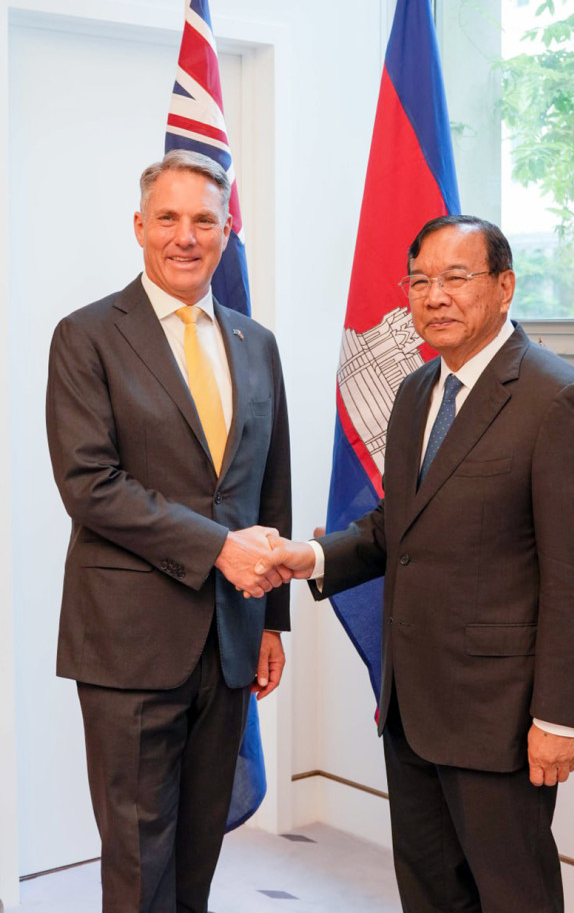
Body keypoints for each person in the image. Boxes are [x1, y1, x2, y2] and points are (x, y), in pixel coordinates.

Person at [256, 216, 574, 913]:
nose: (435, 296)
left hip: (500, 716)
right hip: (412, 706)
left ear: (505, 286)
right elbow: (398, 525)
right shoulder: (417, 389)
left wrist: (560, 718)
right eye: (420, 281)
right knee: (429, 893)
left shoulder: (559, 400)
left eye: (457, 277)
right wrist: (312, 555)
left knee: (513, 896)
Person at [46, 149, 291, 913]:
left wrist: (272, 621)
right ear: (139, 226)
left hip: (231, 637)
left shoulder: (256, 342)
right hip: (130, 642)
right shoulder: (87, 335)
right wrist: (219, 548)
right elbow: (90, 485)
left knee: (198, 851)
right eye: (169, 219)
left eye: (205, 221)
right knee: (138, 859)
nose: (186, 237)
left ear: (226, 231)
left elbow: (270, 487)